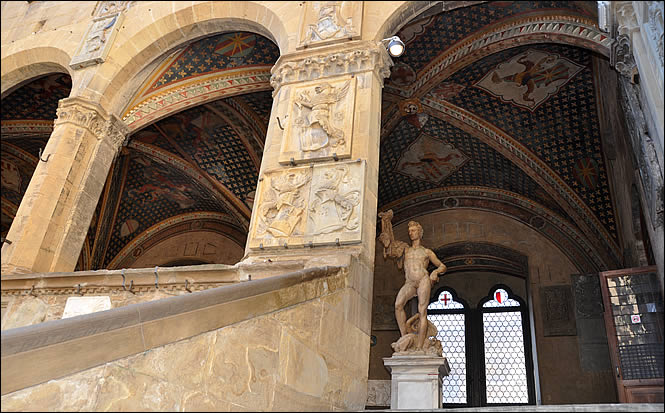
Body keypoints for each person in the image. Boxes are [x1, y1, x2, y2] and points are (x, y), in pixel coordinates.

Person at [378, 209, 447, 352]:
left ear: (419, 233)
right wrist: (386, 224)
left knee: (422, 311)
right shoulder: (405, 250)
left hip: (423, 280)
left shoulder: (426, 252)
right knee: (398, 305)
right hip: (410, 282)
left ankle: (420, 347)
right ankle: (406, 339)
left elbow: (442, 266)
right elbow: (391, 247)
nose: (411, 233)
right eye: (409, 231)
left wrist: (434, 272)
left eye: (414, 230)